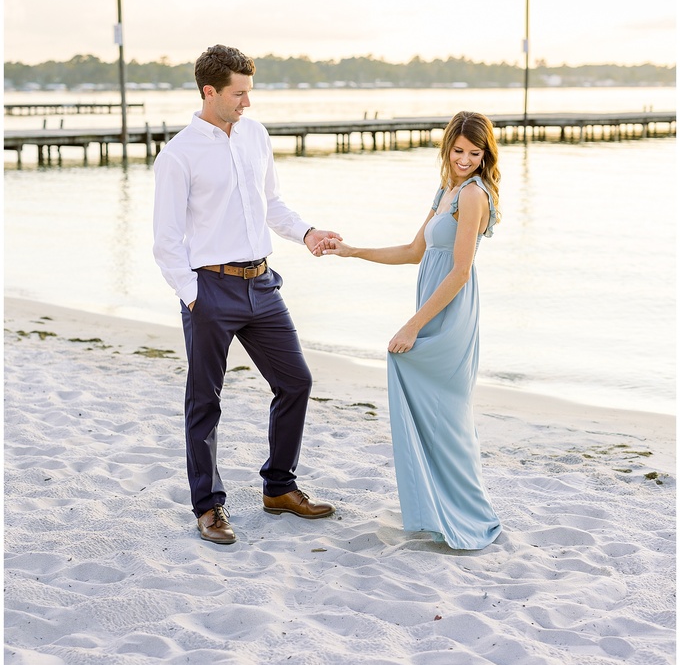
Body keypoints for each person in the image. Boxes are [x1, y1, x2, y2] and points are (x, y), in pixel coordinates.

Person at [153, 44, 341, 544]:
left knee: (295, 382)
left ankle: (279, 487)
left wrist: (307, 233)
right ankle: (209, 507)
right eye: (239, 95)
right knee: (205, 402)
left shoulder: (255, 135)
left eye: (250, 93)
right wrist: (194, 296)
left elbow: (271, 204)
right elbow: (167, 240)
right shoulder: (178, 155)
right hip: (210, 288)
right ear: (209, 91)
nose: (248, 104)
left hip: (262, 284)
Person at [317, 110, 502, 549]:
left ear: (485, 154)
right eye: (458, 151)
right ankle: (436, 507)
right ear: (447, 147)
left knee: (448, 411)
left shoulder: (473, 195)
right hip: (431, 307)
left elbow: (459, 272)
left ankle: (468, 513)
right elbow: (414, 251)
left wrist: (412, 325)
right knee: (429, 404)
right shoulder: (446, 190)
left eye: (475, 154)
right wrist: (352, 251)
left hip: (450, 313)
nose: (465, 159)